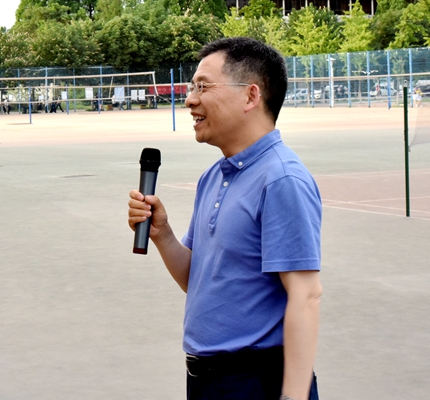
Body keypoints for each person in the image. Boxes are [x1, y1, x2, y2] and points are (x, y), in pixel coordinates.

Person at [127, 37, 322, 400]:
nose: (190, 100)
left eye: (203, 87)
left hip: (256, 381)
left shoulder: (281, 179)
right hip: (208, 381)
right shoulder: (214, 176)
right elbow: (196, 278)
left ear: (250, 96)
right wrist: (163, 234)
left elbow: (306, 295)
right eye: (191, 88)